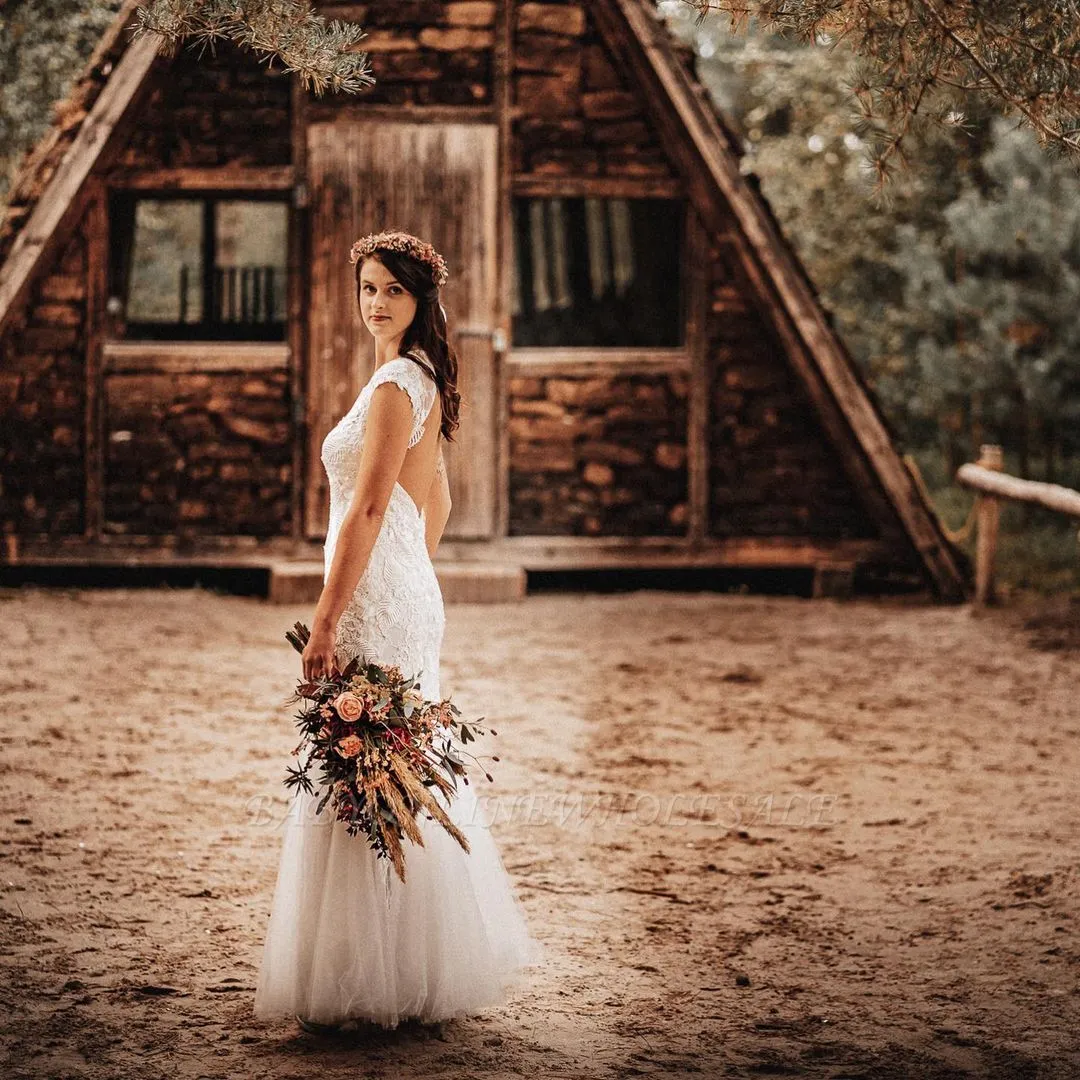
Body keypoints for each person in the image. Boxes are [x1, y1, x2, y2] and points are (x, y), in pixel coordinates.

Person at [253, 230, 542, 1034]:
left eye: (392, 291)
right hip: (405, 589)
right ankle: (411, 968)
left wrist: (330, 615)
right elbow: (435, 504)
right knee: (398, 771)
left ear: (421, 302)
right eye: (367, 288)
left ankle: (366, 982)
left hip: (378, 596)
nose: (376, 302)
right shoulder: (423, 380)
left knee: (368, 772)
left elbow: (371, 510)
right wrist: (408, 574)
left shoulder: (392, 383)